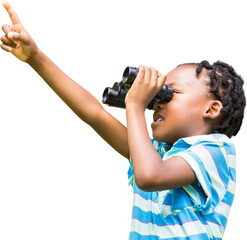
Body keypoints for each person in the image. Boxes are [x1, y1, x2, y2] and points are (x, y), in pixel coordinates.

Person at [1, 2, 246, 240]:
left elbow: (150, 176)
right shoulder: (155, 154)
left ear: (212, 108)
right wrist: (35, 57)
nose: (157, 103)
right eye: (156, 96)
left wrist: (136, 105)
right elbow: (95, 113)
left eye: (170, 93)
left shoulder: (217, 151)